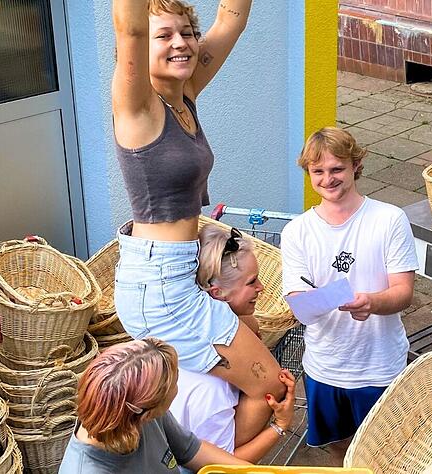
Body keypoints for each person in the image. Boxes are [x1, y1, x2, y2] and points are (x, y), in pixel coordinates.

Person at [110, 0, 286, 445]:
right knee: (273, 388)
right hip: (162, 288)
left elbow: (233, 18)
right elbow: (129, 30)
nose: (181, 43)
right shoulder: (138, 108)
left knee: (235, 381)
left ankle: (208, 458)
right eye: (164, 35)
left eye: (187, 32)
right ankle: (217, 465)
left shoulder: (183, 95)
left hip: (178, 275)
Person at [280, 127, 419, 462]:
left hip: (380, 365)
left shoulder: (389, 220)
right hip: (324, 365)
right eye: (318, 171)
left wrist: (372, 303)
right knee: (338, 447)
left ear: (356, 165)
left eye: (337, 169)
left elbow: (404, 292)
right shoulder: (297, 232)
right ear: (309, 173)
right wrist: (305, 305)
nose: (328, 179)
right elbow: (297, 298)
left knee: (387, 451)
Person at [169, 224, 296, 462]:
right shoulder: (212, 391)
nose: (262, 288)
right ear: (218, 293)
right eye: (252, 282)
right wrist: (280, 425)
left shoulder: (187, 340)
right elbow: (223, 464)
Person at [59, 337, 252, 472]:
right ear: (146, 411)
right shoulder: (87, 469)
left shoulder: (138, 411)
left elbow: (190, 450)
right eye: (177, 380)